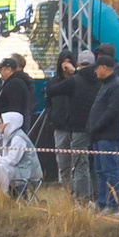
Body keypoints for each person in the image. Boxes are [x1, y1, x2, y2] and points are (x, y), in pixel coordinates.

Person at [85, 47, 119, 211]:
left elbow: (112, 111)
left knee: (110, 171)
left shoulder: (117, 86)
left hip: (107, 135)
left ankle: (113, 204)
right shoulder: (106, 85)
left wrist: (96, 126)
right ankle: (102, 202)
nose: (95, 71)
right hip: (98, 136)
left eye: (97, 68)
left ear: (104, 68)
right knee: (100, 171)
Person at [44, 49, 92, 201]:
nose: (65, 64)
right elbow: (48, 100)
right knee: (63, 163)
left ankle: (81, 194)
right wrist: (52, 116)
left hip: (76, 126)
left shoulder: (79, 80)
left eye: (68, 61)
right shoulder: (54, 82)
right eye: (63, 61)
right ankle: (67, 194)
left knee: (79, 163)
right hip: (60, 126)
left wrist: (74, 73)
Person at [0, 111, 40, 198]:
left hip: (25, 172)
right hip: (14, 169)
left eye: (1, 123)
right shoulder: (6, 136)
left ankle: (1, 198)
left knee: (2, 167)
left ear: (9, 124)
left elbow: (12, 160)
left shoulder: (18, 138)